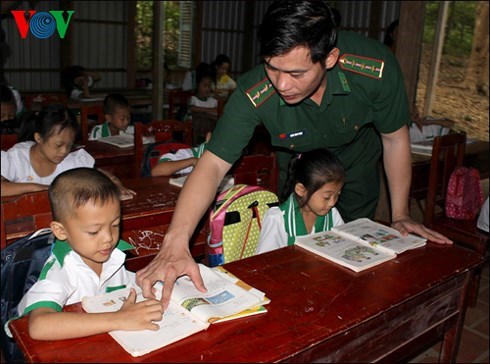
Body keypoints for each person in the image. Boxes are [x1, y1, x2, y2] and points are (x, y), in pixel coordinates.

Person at [136, 0, 452, 308]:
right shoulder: (255, 91)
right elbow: (213, 164)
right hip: (300, 166)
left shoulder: (374, 70)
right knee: (296, 252)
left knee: (357, 263)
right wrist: (175, 243)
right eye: (273, 68)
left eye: (297, 73)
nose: (282, 84)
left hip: (354, 167)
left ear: (329, 58)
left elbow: (395, 140)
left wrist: (400, 215)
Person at [16, 168, 163, 340]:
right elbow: (39, 326)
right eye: (94, 231)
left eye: (115, 225)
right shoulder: (60, 271)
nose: (108, 238)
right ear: (61, 231)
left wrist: (147, 280)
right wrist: (119, 319)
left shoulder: (113, 256)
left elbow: (127, 287)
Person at [1, 104, 135, 198]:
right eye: (58, 145)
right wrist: (37, 188)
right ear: (39, 138)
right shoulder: (18, 158)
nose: (64, 151)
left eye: (69, 145)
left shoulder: (69, 161)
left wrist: (116, 184)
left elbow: (98, 175)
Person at [256, 149, 345, 254]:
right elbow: (264, 262)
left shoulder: (332, 215)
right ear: (301, 190)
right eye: (327, 197)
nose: (332, 203)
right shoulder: (277, 219)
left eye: (337, 195)